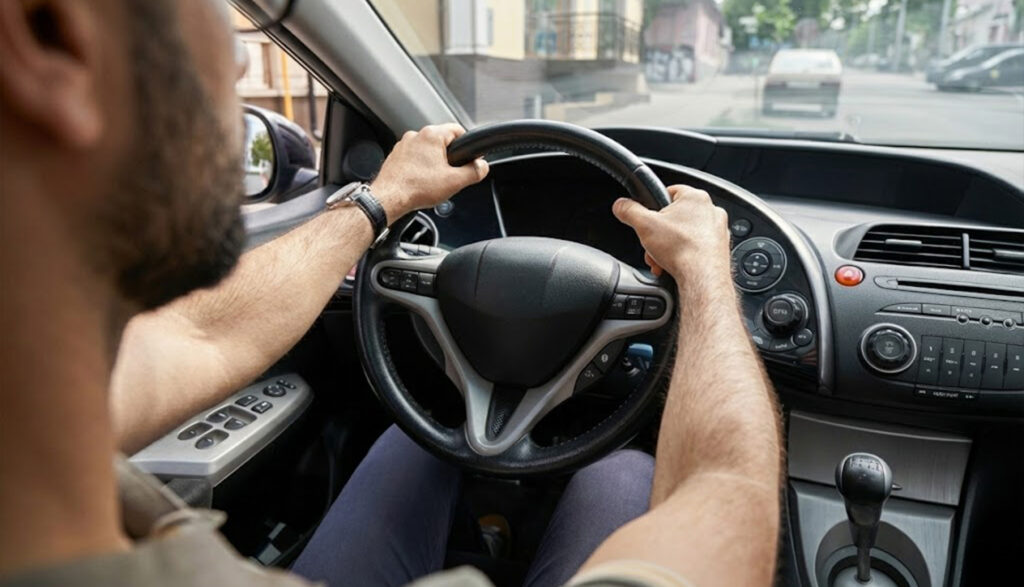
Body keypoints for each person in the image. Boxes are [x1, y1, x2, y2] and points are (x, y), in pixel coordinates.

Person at [0, 1, 781, 586]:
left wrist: (379, 201)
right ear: (49, 34)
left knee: (416, 442)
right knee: (620, 475)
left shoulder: (34, 398)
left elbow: (203, 337)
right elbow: (727, 498)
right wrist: (709, 276)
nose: (240, 66)